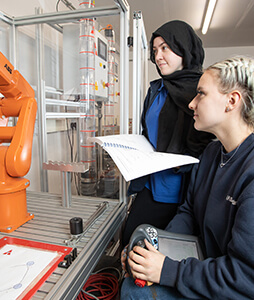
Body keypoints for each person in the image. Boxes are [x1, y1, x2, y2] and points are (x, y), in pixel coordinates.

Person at [121, 56, 254, 299]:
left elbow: (245, 276)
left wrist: (167, 270)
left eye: (201, 94)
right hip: (205, 264)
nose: (191, 104)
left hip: (232, 286)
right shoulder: (212, 154)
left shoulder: (250, 171)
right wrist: (153, 250)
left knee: (134, 292)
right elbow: (189, 212)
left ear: (231, 101)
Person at [122, 20, 213, 246]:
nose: (158, 56)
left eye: (165, 48)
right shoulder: (156, 89)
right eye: (155, 50)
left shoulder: (202, 91)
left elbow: (208, 145)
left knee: (170, 250)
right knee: (130, 241)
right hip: (151, 183)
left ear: (183, 48)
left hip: (184, 191)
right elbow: (147, 132)